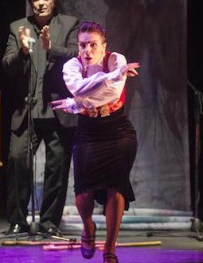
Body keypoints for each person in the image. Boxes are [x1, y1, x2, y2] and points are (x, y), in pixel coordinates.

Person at [51, 21, 140, 263]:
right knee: (83, 192)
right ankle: (88, 226)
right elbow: (79, 88)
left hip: (118, 128)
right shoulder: (72, 65)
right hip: (88, 130)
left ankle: (110, 247)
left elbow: (110, 94)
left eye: (93, 45)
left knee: (116, 185)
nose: (87, 51)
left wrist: (75, 103)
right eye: (82, 45)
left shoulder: (116, 60)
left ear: (103, 46)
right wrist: (108, 79)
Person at [2, 0, 80, 236]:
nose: (40, 3)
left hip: (57, 109)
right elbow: (8, 66)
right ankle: (17, 220)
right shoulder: (18, 28)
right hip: (26, 110)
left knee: (57, 167)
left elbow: (77, 56)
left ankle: (49, 222)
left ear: (54, 0)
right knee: (17, 161)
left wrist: (51, 48)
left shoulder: (69, 24)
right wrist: (23, 52)